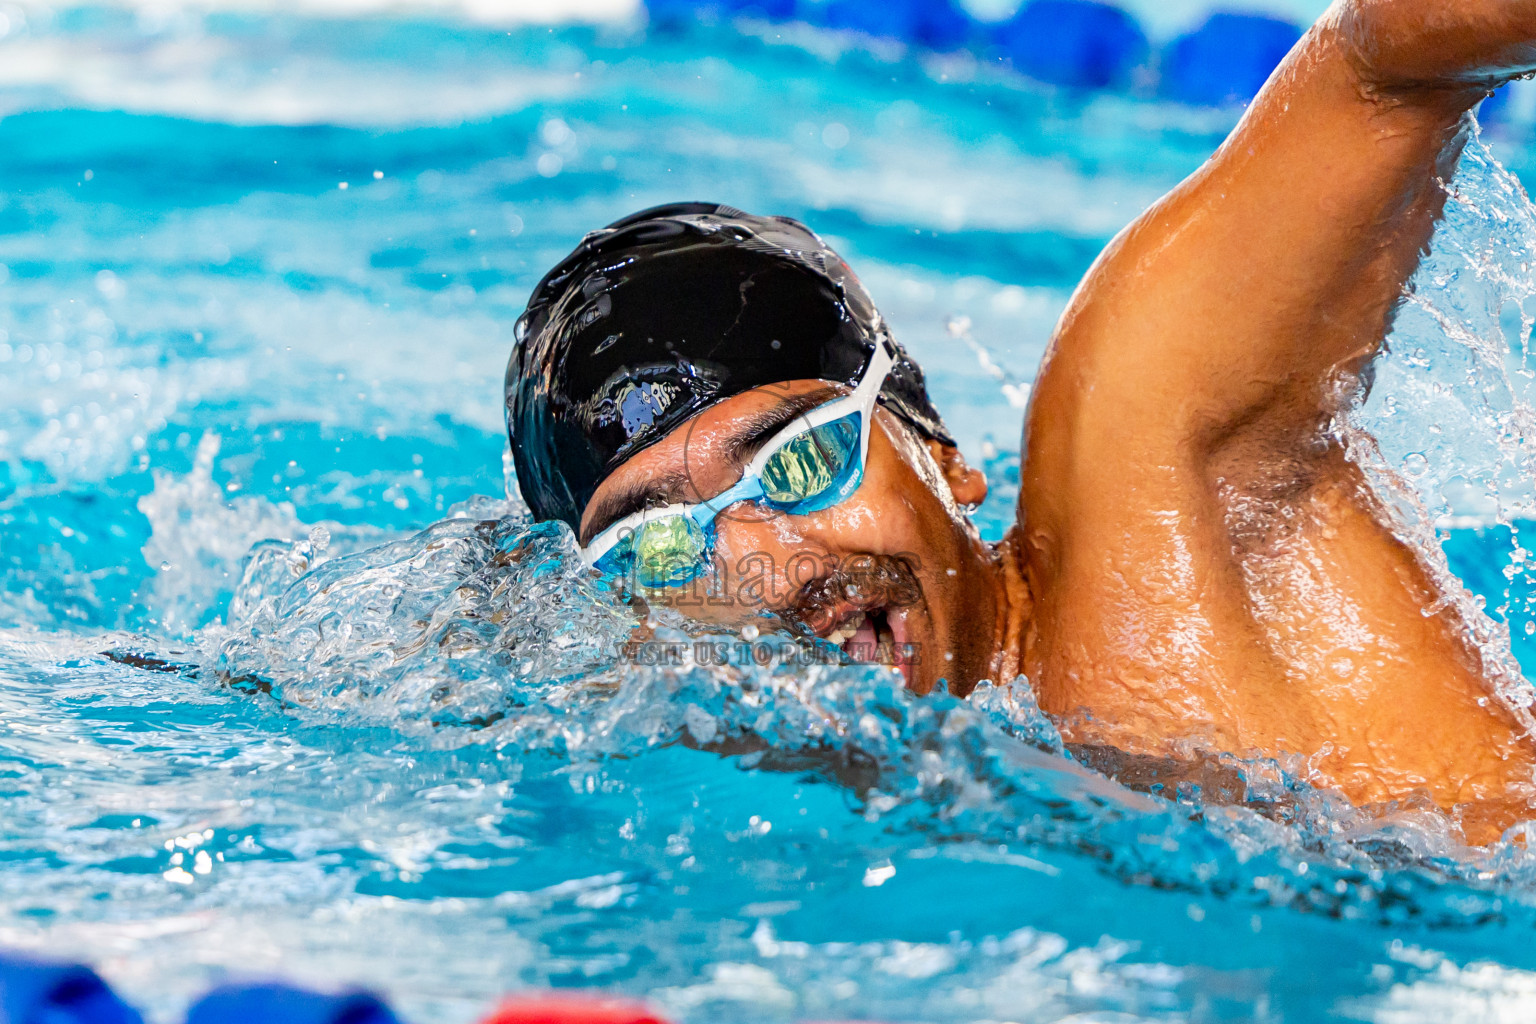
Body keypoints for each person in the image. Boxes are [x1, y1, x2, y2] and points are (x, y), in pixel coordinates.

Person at [505, 1, 1536, 843]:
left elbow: (1381, 62)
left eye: (803, 458)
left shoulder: (1152, 475)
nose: (766, 569)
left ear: (942, 457)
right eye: (663, 545)